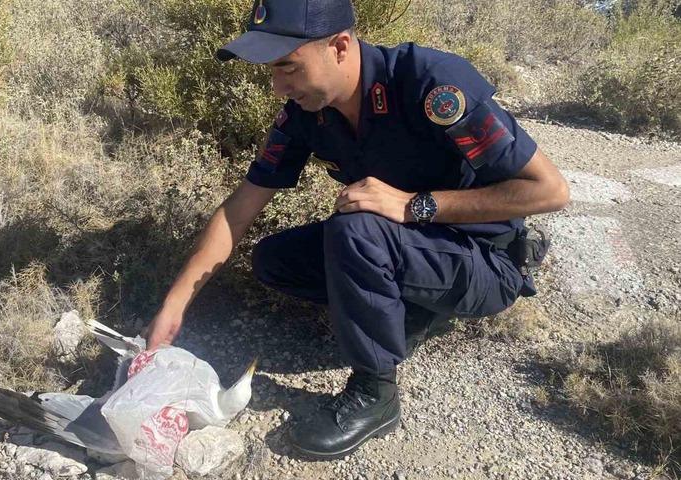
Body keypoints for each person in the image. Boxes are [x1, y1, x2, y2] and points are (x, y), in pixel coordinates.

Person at [143, 0, 570, 460]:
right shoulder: (306, 113)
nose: (277, 86)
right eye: (271, 70)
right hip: (411, 251)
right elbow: (238, 211)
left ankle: (375, 393)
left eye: (288, 66)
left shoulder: (430, 83)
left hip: (486, 259)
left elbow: (549, 190)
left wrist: (414, 205)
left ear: (340, 47)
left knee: (356, 230)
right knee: (275, 261)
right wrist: (175, 305)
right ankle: (406, 316)